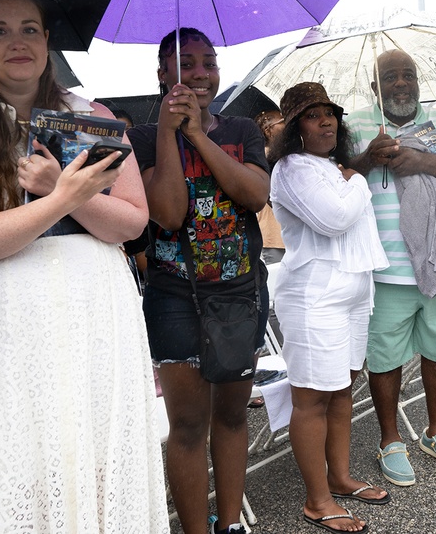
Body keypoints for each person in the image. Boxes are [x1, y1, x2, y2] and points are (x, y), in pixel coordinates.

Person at [0, 0, 167, 531]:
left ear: (48, 40)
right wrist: (60, 200)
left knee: (96, 448)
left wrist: (71, 193)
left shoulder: (92, 115)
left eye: (29, 28)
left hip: (94, 307)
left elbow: (132, 221)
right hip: (6, 315)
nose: (17, 42)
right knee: (18, 451)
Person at [128, 27, 270, 534]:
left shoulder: (241, 130)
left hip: (240, 292)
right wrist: (169, 133)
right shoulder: (142, 139)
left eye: (208, 62)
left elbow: (254, 195)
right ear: (163, 74)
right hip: (175, 297)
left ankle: (229, 524)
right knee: (187, 425)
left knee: (232, 416)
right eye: (185, 63)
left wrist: (197, 136)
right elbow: (166, 213)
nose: (200, 72)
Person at [347, 49, 436, 487]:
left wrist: (421, 160)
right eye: (391, 77)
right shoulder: (354, 125)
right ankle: (390, 439)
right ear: (376, 87)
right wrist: (368, 158)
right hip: (383, 270)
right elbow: (332, 176)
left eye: (409, 75)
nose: (402, 83)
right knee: (384, 359)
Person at [269, 82, 390, 533]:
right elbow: (334, 220)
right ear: (293, 127)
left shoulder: (332, 166)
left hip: (354, 288)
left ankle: (338, 477)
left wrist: (349, 174)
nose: (325, 121)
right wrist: (358, 177)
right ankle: (317, 501)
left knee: (342, 389)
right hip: (315, 293)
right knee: (312, 397)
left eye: (329, 113)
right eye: (310, 114)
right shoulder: (291, 168)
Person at [255, 109, 287, 264]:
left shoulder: (284, 154)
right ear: (268, 131)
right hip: (275, 238)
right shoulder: (263, 156)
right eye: (281, 121)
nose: (287, 124)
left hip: (286, 235)